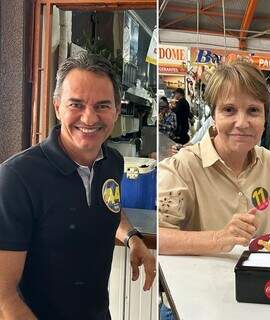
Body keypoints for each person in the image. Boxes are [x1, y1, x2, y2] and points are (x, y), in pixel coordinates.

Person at [0, 53, 155, 320]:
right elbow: (4, 298)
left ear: (117, 111)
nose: (89, 117)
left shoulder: (112, 162)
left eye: (102, 106)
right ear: (57, 106)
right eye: (77, 104)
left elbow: (107, 205)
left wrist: (131, 237)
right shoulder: (17, 178)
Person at [159, 59, 270, 256]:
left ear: (264, 118)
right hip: (203, 284)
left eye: (253, 110)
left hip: (267, 284)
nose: (242, 123)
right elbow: (158, 234)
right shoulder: (182, 167)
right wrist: (218, 239)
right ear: (214, 117)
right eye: (229, 110)